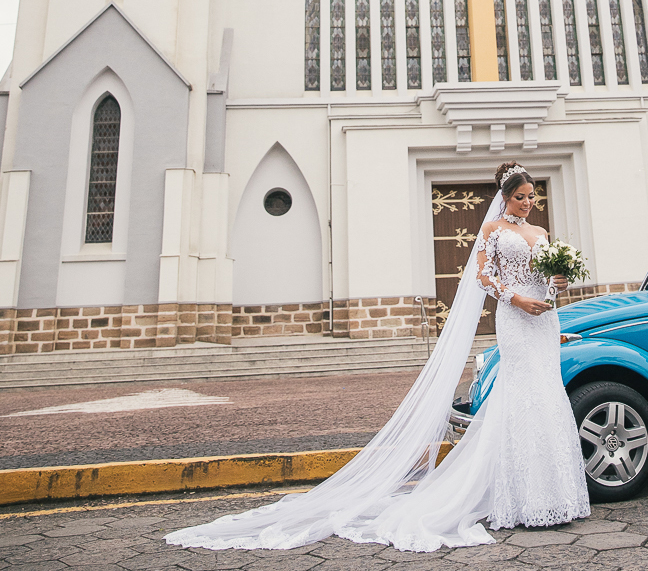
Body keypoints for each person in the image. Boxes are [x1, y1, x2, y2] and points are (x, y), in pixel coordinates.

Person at [165, 162, 589, 553]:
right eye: (521, 197)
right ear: (505, 196)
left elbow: (547, 282)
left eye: (533, 197)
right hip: (515, 320)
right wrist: (515, 298)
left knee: (547, 395)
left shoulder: (543, 235)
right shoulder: (494, 230)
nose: (529, 204)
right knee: (522, 397)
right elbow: (482, 275)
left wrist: (557, 286)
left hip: (542, 321)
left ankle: (555, 497)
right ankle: (518, 499)